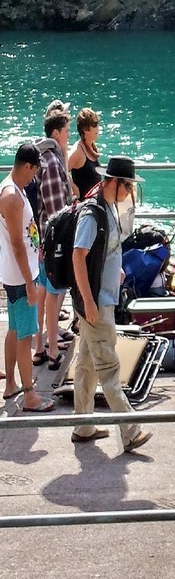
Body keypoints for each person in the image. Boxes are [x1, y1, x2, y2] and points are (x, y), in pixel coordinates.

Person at [70, 155, 151, 451]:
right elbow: (78, 256)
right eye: (128, 185)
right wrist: (90, 302)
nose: (130, 191)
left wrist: (113, 268)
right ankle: (130, 430)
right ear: (114, 183)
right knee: (109, 369)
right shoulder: (93, 214)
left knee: (87, 365)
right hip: (96, 304)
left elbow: (101, 250)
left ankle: (82, 425)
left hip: (98, 300)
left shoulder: (108, 209)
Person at [1, 144, 54, 413]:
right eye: (35, 171)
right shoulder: (11, 195)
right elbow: (16, 244)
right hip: (21, 278)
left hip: (20, 274)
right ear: (28, 167)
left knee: (14, 329)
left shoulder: (15, 190)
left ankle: (11, 383)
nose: (35, 177)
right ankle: (29, 394)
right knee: (25, 336)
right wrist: (30, 282)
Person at [34, 109, 73, 368]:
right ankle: (50, 350)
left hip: (43, 239)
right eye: (67, 132)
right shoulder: (51, 161)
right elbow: (56, 209)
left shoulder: (44, 158)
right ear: (56, 133)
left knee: (44, 291)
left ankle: (41, 345)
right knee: (53, 292)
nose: (69, 137)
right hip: (52, 239)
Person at [68, 107, 102, 198]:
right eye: (94, 125)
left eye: (97, 124)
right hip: (84, 207)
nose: (98, 128)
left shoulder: (91, 147)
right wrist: (73, 188)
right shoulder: (78, 150)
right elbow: (62, 169)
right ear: (85, 129)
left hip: (95, 205)